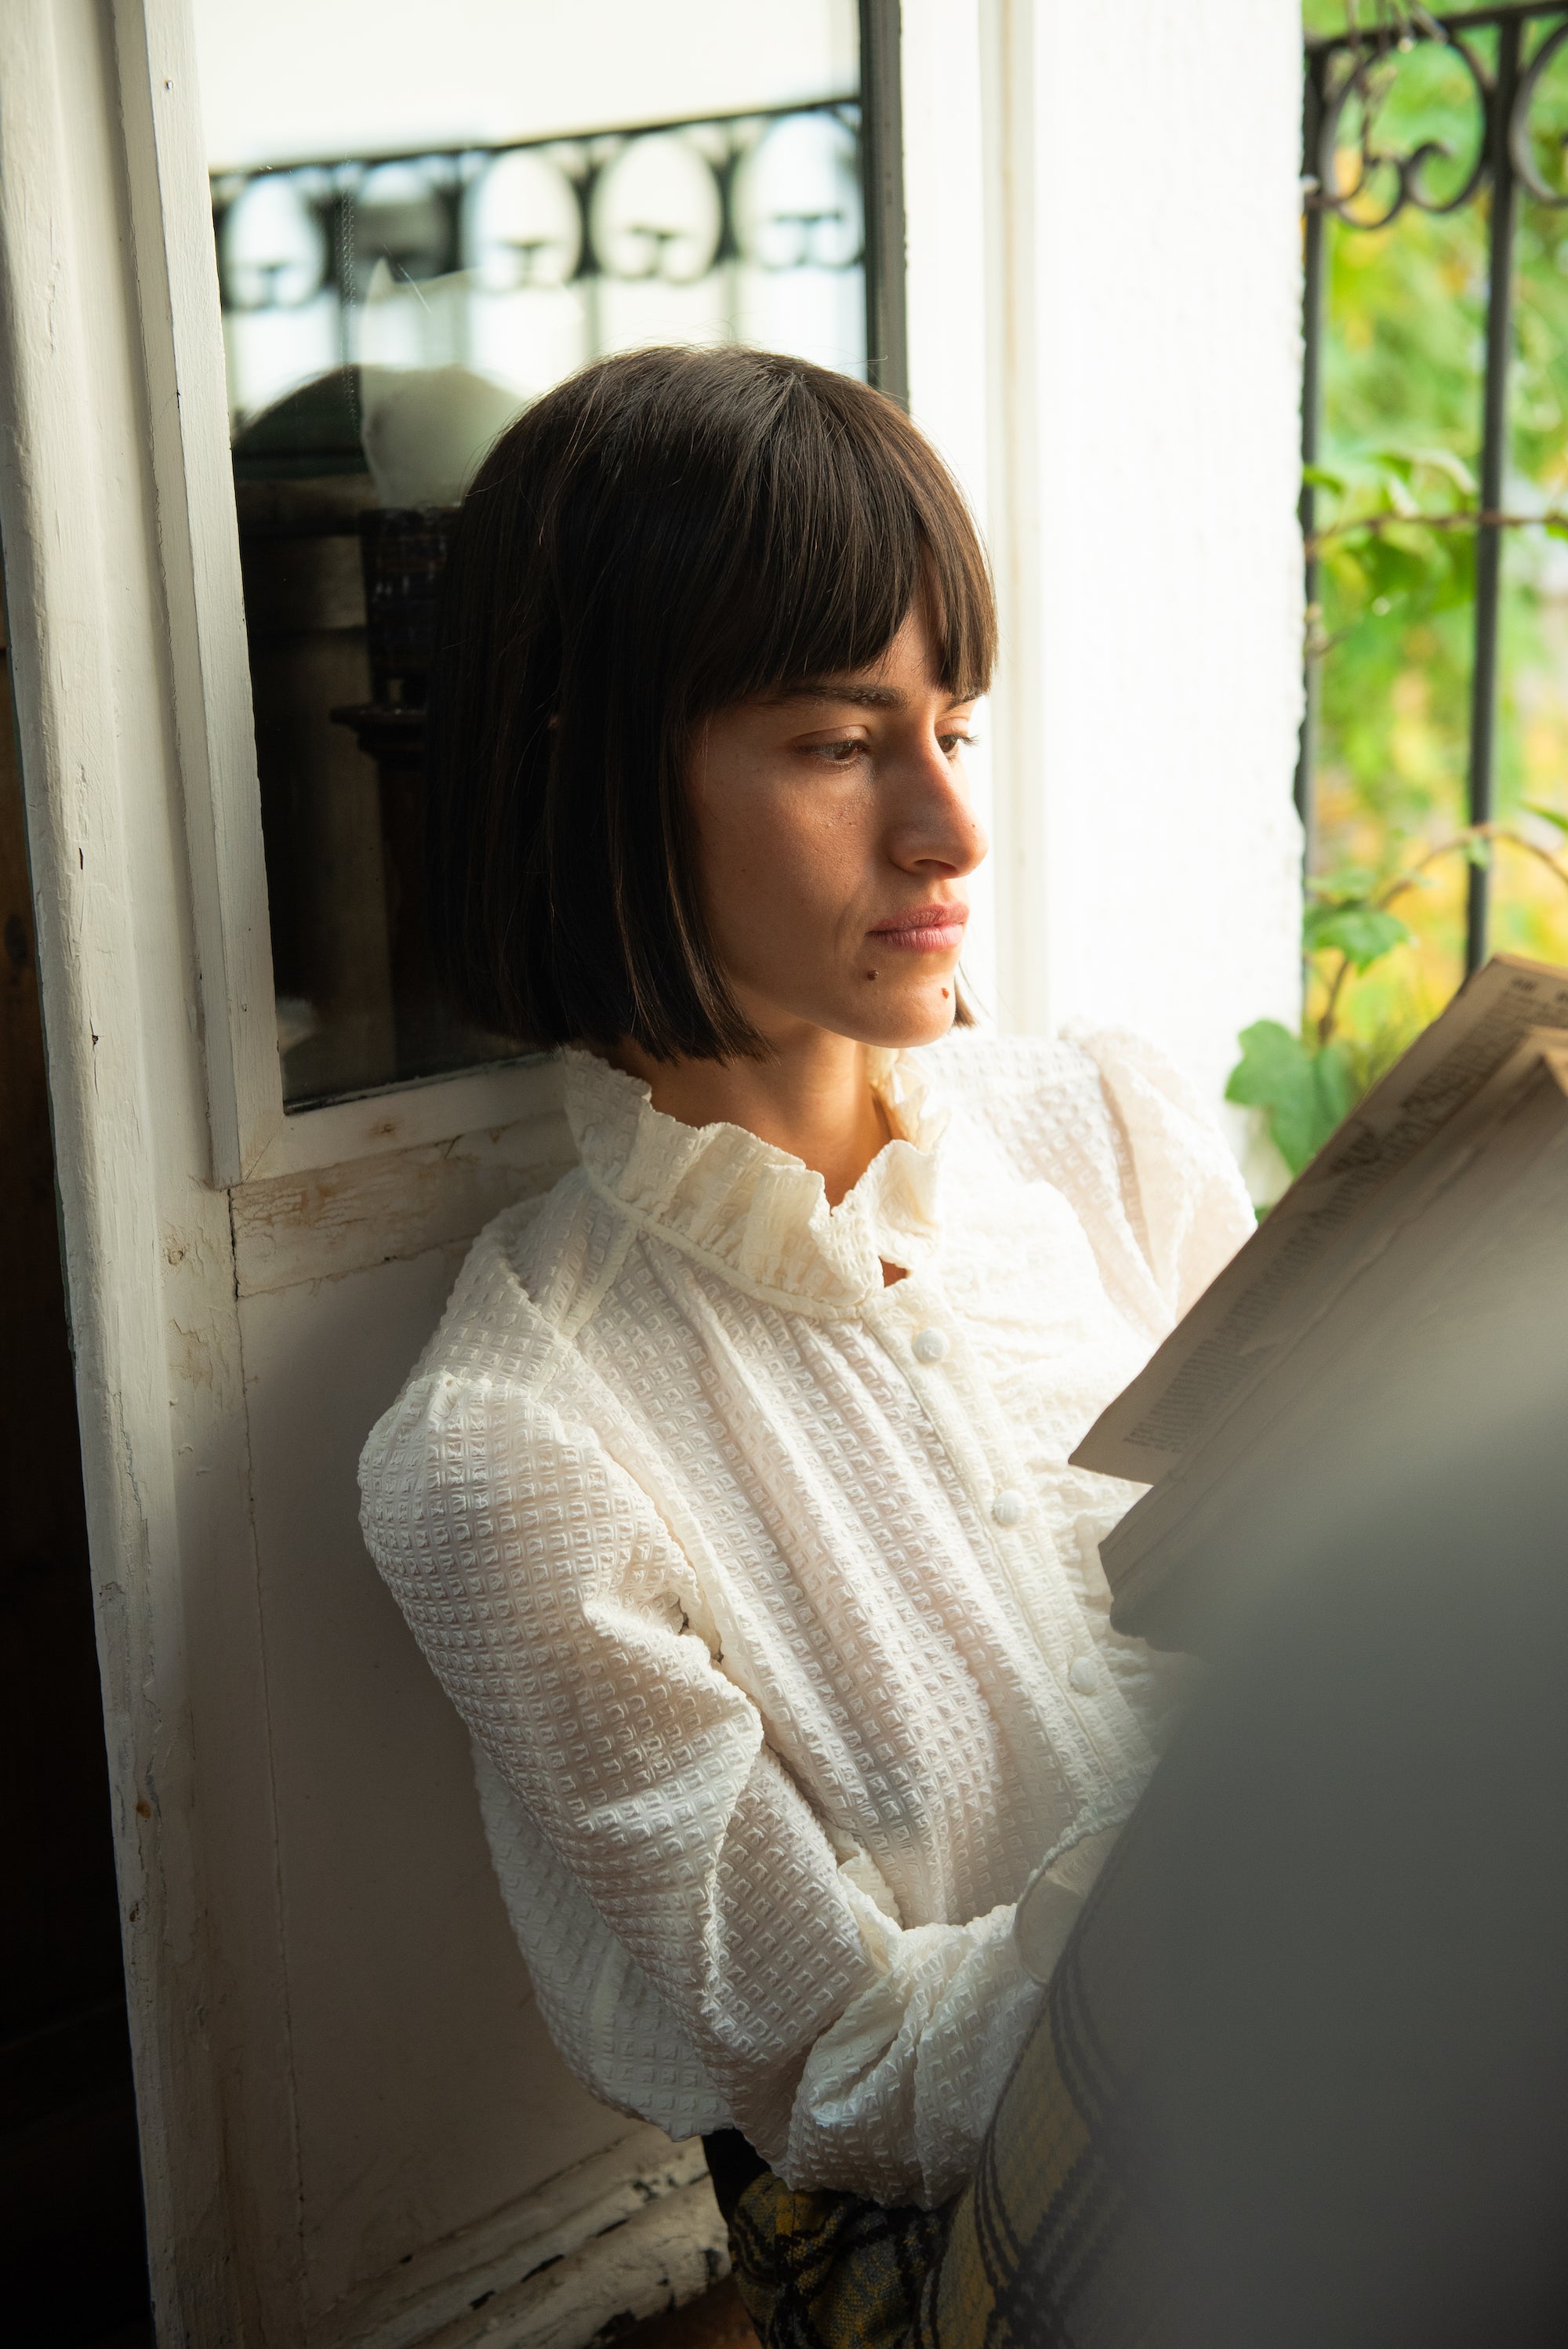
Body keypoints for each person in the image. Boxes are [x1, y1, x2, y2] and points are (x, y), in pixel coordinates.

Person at [357, 346, 1254, 2333]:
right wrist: (1258, 1819)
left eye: (952, 725)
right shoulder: (520, 1453)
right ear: (595, 765)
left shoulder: (1103, 1134)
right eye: (844, 743)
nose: (950, 831)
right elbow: (850, 2078)